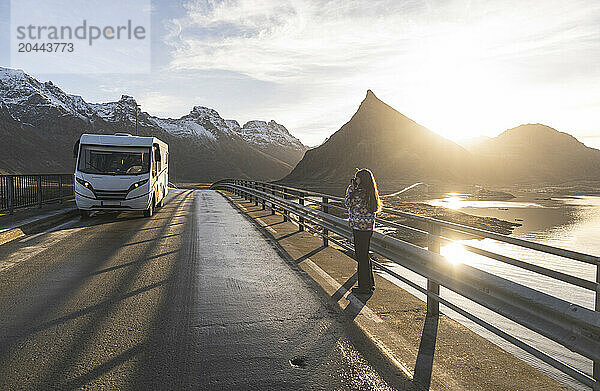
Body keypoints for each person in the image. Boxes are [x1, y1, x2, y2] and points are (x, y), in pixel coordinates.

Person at [344, 168, 382, 295]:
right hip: (368, 228)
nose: (356, 180)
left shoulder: (358, 193)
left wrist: (350, 189)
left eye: (357, 178)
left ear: (362, 179)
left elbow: (348, 203)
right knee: (365, 256)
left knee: (361, 257)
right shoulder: (371, 192)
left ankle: (363, 287)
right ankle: (369, 284)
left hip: (358, 228)